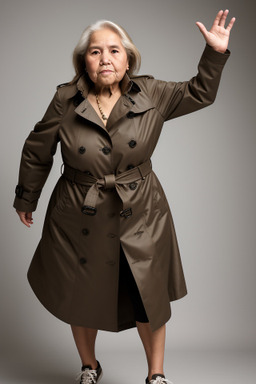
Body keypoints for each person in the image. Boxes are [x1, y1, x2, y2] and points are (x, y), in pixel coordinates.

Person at [14, 9, 235, 384]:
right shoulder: (64, 100)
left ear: (128, 58)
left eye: (114, 50)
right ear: (84, 60)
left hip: (141, 207)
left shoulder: (151, 92)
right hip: (78, 210)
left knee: (148, 294)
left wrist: (214, 53)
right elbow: (38, 149)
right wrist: (26, 198)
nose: (105, 59)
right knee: (80, 293)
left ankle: (156, 375)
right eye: (96, 51)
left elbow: (200, 92)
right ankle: (89, 366)